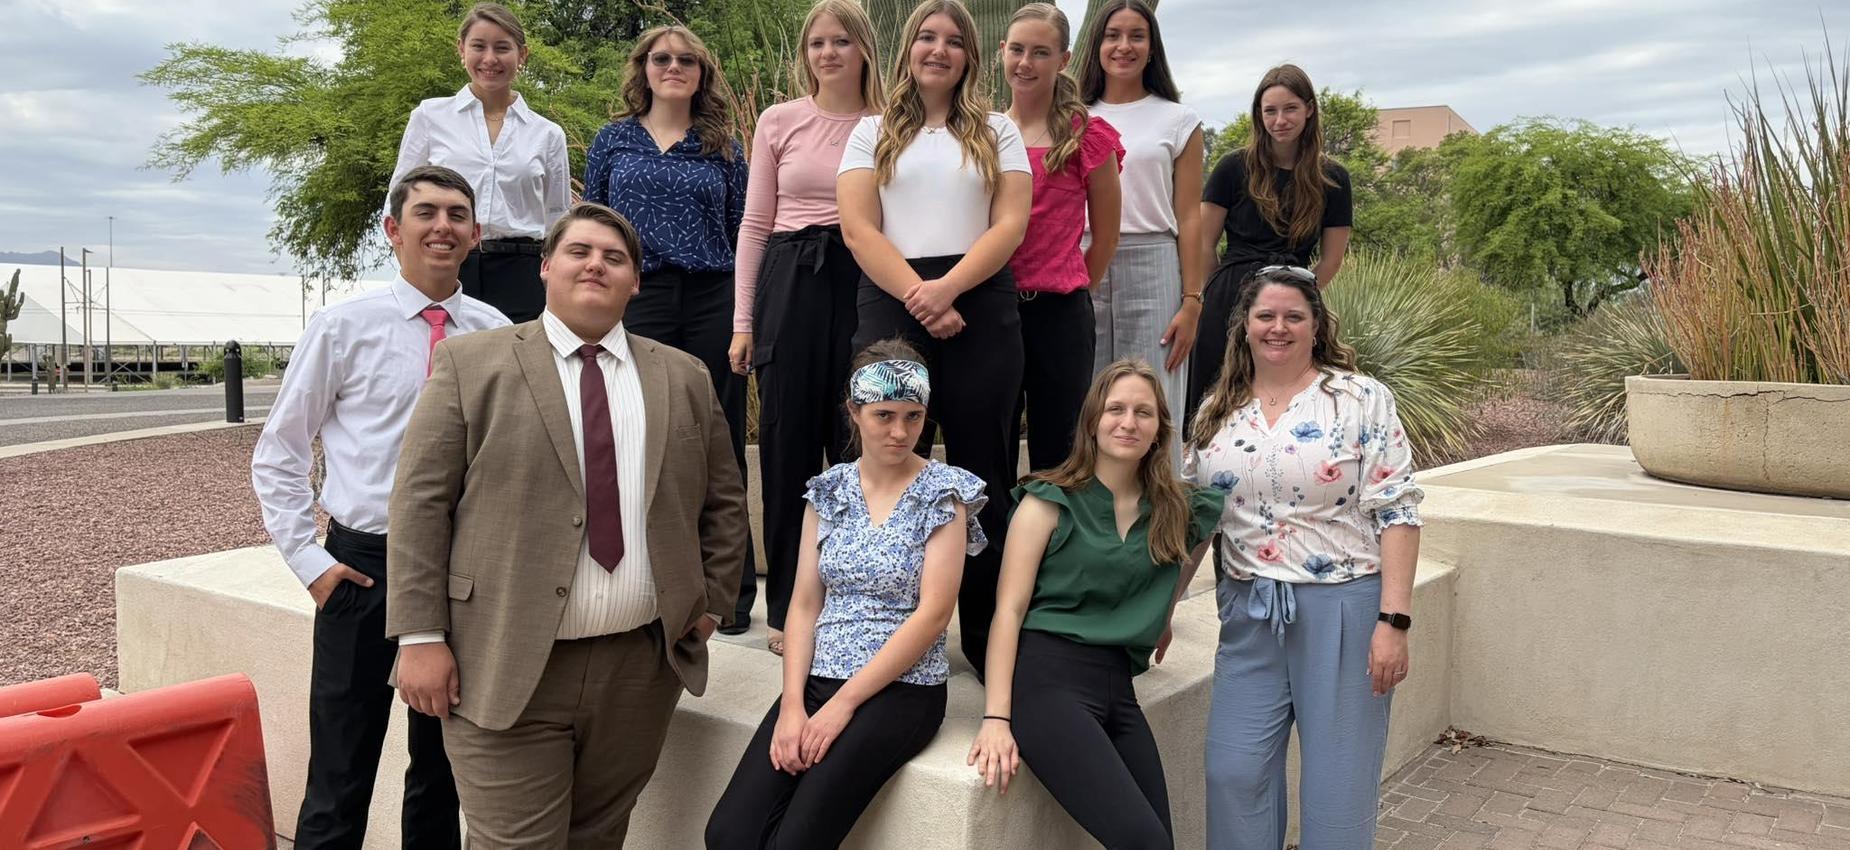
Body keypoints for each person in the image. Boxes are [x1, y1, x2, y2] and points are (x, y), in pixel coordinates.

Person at [385, 202, 749, 845]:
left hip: (638, 670)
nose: (596, 266)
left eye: (615, 258)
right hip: (502, 662)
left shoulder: (684, 376)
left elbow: (723, 500)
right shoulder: (473, 365)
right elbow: (419, 505)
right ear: (547, 267)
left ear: (635, 281)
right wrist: (418, 635)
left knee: (599, 838)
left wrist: (712, 603)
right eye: (579, 251)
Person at [251, 164, 510, 849]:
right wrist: (310, 562)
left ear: (476, 235)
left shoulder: (496, 333)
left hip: (461, 574)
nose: (443, 226)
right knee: (341, 766)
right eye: (426, 213)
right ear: (394, 230)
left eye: (458, 214)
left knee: (442, 771)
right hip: (363, 568)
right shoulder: (343, 328)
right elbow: (279, 450)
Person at [706, 339, 986, 849]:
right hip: (817, 679)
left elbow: (934, 615)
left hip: (901, 688)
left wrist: (843, 705)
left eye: (914, 415)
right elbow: (805, 603)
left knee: (796, 842)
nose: (900, 431)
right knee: (729, 833)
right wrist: (793, 704)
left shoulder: (945, 492)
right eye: (884, 415)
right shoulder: (829, 489)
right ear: (854, 412)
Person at [1184, 267, 1421, 850]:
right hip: (1249, 612)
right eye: (1266, 316)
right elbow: (1195, 521)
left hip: (1343, 608)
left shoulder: (1360, 399)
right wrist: (1159, 609)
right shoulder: (1218, 408)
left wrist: (1393, 622)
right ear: (1244, 327)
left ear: (1316, 326)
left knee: (1338, 789)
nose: (1278, 327)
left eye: (1294, 316)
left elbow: (1398, 510)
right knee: (1234, 773)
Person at [838, 0, 1032, 677]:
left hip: (979, 298)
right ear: (908, 48)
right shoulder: (870, 132)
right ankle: (883, 631)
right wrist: (921, 296)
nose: (939, 49)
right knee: (886, 468)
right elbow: (860, 229)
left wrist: (948, 291)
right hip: (891, 300)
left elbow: (1009, 224)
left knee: (984, 475)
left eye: (954, 40)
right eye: (927, 36)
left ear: (969, 57)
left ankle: (985, 637)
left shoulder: (1000, 130)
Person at [966, 359, 1222, 850]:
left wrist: (1163, 614)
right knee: (1143, 841)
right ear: (1092, 421)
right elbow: (1009, 613)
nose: (1129, 422)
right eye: (1116, 409)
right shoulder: (1049, 501)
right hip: (1048, 684)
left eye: (1143, 413)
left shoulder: (1172, 508)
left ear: (1159, 430)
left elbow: (1197, 539)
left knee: (1160, 842)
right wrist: (997, 717)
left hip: (1118, 688)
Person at [585, 25, 758, 632]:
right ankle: (645, 580)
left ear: (701, 72)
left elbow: (745, 235)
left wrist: (745, 318)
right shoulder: (613, 140)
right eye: (663, 58)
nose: (674, 67)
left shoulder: (725, 147)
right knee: (638, 435)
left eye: (687, 59)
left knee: (717, 437)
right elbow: (594, 229)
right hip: (639, 298)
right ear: (644, 68)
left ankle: (729, 596)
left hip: (714, 295)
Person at [729, 0, 884, 656]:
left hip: (866, 274)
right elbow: (755, 224)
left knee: (860, 439)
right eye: (817, 42)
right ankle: (786, 611)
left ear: (864, 50)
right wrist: (743, 323)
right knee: (790, 443)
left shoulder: (889, 123)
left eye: (841, 42)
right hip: (791, 278)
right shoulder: (778, 120)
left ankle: (857, 601)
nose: (828, 53)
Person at [1189, 64, 1352, 427]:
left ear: (1309, 109)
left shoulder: (1333, 178)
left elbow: (1332, 259)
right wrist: (1218, 289)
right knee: (1214, 395)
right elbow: (1203, 241)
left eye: (1290, 108)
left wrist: (1296, 295)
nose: (1280, 119)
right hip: (1229, 295)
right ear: (1258, 115)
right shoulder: (1233, 167)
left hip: (1294, 300)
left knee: (1286, 397)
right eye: (1270, 111)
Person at [1078, 0, 1204, 465]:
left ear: (1152, 48)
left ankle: (1159, 524)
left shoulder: (1178, 119)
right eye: (1113, 35)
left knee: (1154, 396)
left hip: (1153, 264)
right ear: (1097, 45)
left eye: (1136, 36)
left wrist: (1192, 300)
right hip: (1084, 258)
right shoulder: (1074, 115)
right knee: (1087, 396)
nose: (1124, 46)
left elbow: (1189, 216)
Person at [999, 2, 1124, 473]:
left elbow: (1107, 236)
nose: (1026, 63)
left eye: (1040, 52)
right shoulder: (984, 133)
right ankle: (995, 547)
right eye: (1017, 50)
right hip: (993, 309)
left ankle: (1054, 545)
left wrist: (1071, 288)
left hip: (1060, 314)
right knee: (992, 437)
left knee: (1061, 448)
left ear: (1064, 60)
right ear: (1001, 52)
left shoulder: (1087, 137)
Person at [388, 2, 569, 324]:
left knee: (516, 370)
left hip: (522, 274)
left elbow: (557, 217)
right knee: (442, 366)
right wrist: (413, 270)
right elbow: (397, 202)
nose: (490, 59)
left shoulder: (547, 134)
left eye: (502, 48)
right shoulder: (430, 117)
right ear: (461, 50)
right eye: (478, 46)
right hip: (445, 264)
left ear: (522, 55)